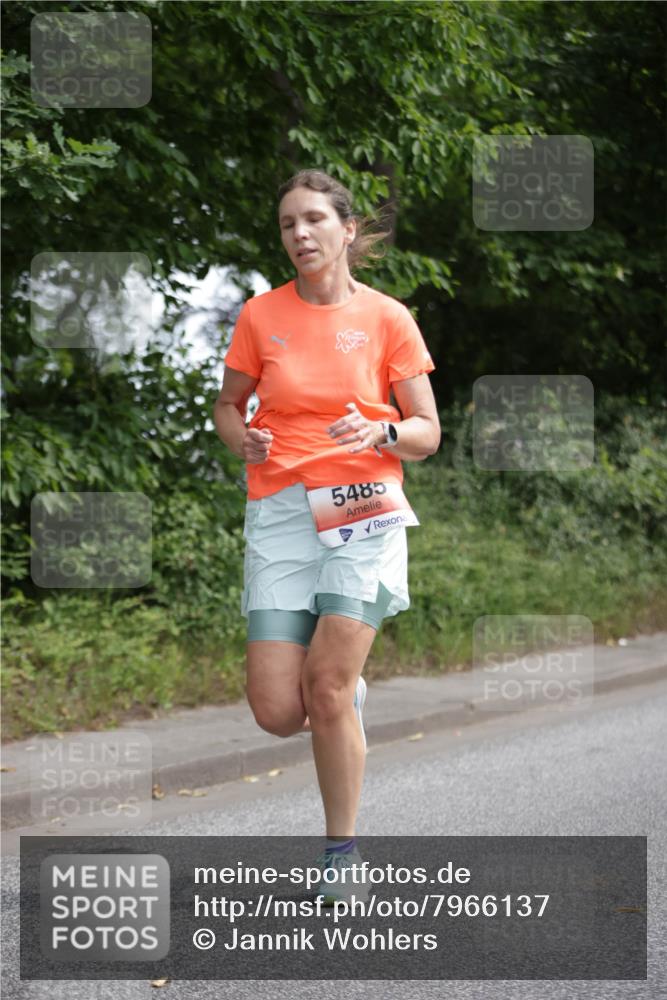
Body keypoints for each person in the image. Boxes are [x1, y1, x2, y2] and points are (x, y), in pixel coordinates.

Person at [213, 168, 440, 904]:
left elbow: (427, 431)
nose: (300, 233)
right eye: (288, 223)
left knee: (326, 688)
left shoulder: (387, 318)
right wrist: (241, 439)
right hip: (280, 512)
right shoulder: (260, 315)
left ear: (347, 229)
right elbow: (227, 406)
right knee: (278, 711)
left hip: (362, 507)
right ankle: (343, 694)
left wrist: (380, 430)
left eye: (313, 219)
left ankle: (342, 855)